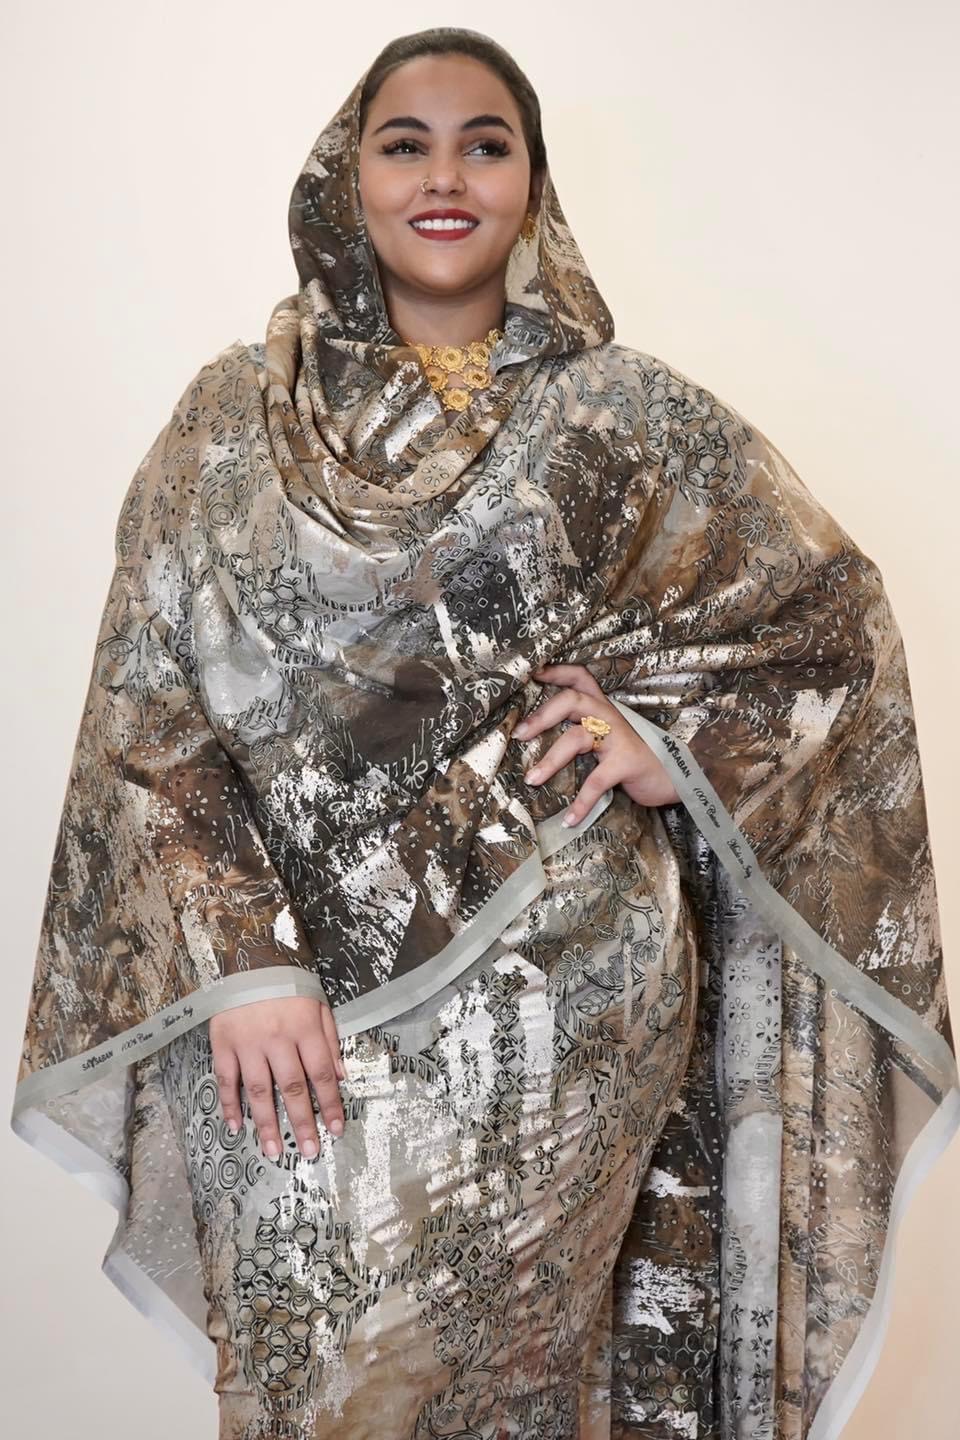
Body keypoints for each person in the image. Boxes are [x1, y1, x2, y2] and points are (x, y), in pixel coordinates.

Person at [10, 24, 959, 1440]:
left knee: (525, 1392)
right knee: (307, 1378)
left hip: (565, 992)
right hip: (286, 1008)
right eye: (407, 144)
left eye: (486, 145)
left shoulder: (618, 413)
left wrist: (671, 743)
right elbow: (154, 712)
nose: (445, 177)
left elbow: (831, 622)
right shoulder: (230, 420)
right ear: (347, 177)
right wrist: (243, 962)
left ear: (533, 184)